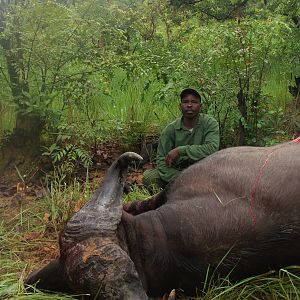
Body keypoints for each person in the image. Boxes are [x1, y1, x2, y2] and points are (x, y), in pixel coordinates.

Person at [143, 88, 220, 189]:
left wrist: (181, 150)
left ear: (200, 106)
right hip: (178, 173)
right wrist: (181, 178)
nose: (189, 105)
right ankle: (183, 190)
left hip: (203, 171)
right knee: (149, 178)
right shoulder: (171, 129)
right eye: (185, 102)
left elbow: (211, 148)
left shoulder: (210, 123)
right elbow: (161, 161)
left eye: (194, 102)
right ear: (180, 106)